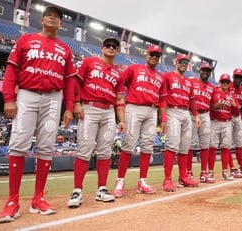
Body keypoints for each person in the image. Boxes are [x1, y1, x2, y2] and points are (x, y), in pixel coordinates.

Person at [0, 5, 77, 223]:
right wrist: (9, 99)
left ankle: (38, 198)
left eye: (57, 17)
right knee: (19, 143)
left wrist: (69, 106)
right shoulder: (26, 40)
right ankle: (12, 201)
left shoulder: (65, 49)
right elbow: (12, 70)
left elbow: (69, 81)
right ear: (41, 20)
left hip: (53, 98)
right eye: (49, 15)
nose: (53, 18)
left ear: (60, 24)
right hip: (27, 94)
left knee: (46, 146)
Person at [67, 37, 126, 208]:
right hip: (89, 108)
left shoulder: (118, 73)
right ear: (102, 48)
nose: (110, 48)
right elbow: (76, 83)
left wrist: (121, 120)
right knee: (84, 149)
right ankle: (77, 190)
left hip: (108, 112)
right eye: (107, 45)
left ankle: (102, 189)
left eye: (114, 46)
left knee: (105, 151)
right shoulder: (89, 62)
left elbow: (120, 98)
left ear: (117, 51)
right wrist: (76, 103)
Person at [112, 45, 166, 198]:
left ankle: (142, 181)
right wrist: (121, 98)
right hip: (134, 107)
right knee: (129, 143)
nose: (154, 57)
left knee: (147, 145)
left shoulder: (160, 77)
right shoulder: (134, 68)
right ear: (146, 54)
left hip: (152, 111)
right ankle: (120, 181)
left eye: (157, 55)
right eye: (152, 54)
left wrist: (164, 119)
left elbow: (162, 100)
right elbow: (120, 81)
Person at [160, 54, 201, 192]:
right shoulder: (168, 76)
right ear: (175, 62)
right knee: (172, 146)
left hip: (186, 113)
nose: (183, 64)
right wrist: (164, 118)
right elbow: (163, 99)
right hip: (173, 111)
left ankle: (183, 176)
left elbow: (192, 101)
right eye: (181, 61)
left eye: (185, 62)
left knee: (185, 147)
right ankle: (167, 179)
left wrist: (196, 115)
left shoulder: (189, 82)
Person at [187, 63, 215, 183]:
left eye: (208, 70)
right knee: (190, 144)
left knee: (205, 144)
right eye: (204, 70)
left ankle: (204, 172)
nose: (205, 72)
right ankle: (188, 172)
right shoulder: (192, 81)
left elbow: (213, 103)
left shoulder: (212, 87)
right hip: (192, 114)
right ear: (199, 70)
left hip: (205, 114)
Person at [209, 74, 238, 181]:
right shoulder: (214, 91)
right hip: (215, 122)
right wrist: (214, 106)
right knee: (212, 147)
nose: (225, 83)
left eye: (227, 81)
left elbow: (236, 112)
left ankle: (225, 171)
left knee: (226, 147)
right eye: (223, 81)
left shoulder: (231, 95)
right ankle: (210, 172)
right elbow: (209, 106)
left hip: (227, 122)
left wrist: (234, 105)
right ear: (220, 82)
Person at [228, 68, 242, 178]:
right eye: (236, 77)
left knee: (239, 142)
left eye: (240, 77)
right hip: (228, 115)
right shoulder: (228, 85)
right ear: (233, 77)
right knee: (228, 143)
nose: (238, 79)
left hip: (238, 116)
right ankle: (232, 168)